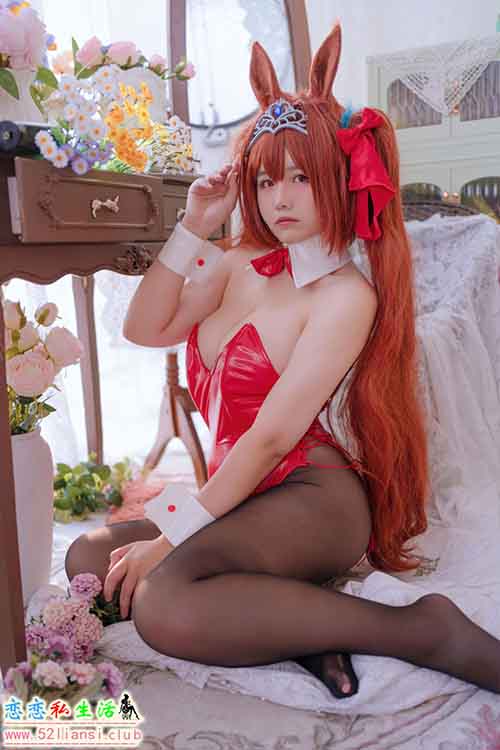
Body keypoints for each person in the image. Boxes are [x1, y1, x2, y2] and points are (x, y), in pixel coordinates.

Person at [65, 23, 500, 700]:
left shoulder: (345, 296)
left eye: (301, 177)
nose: (281, 198)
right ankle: (301, 628)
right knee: (90, 555)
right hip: (239, 497)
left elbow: (271, 438)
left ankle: (421, 628)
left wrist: (168, 540)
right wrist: (193, 226)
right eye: (267, 180)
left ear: (338, 178)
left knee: (162, 599)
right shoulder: (235, 263)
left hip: (312, 499)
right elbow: (144, 328)